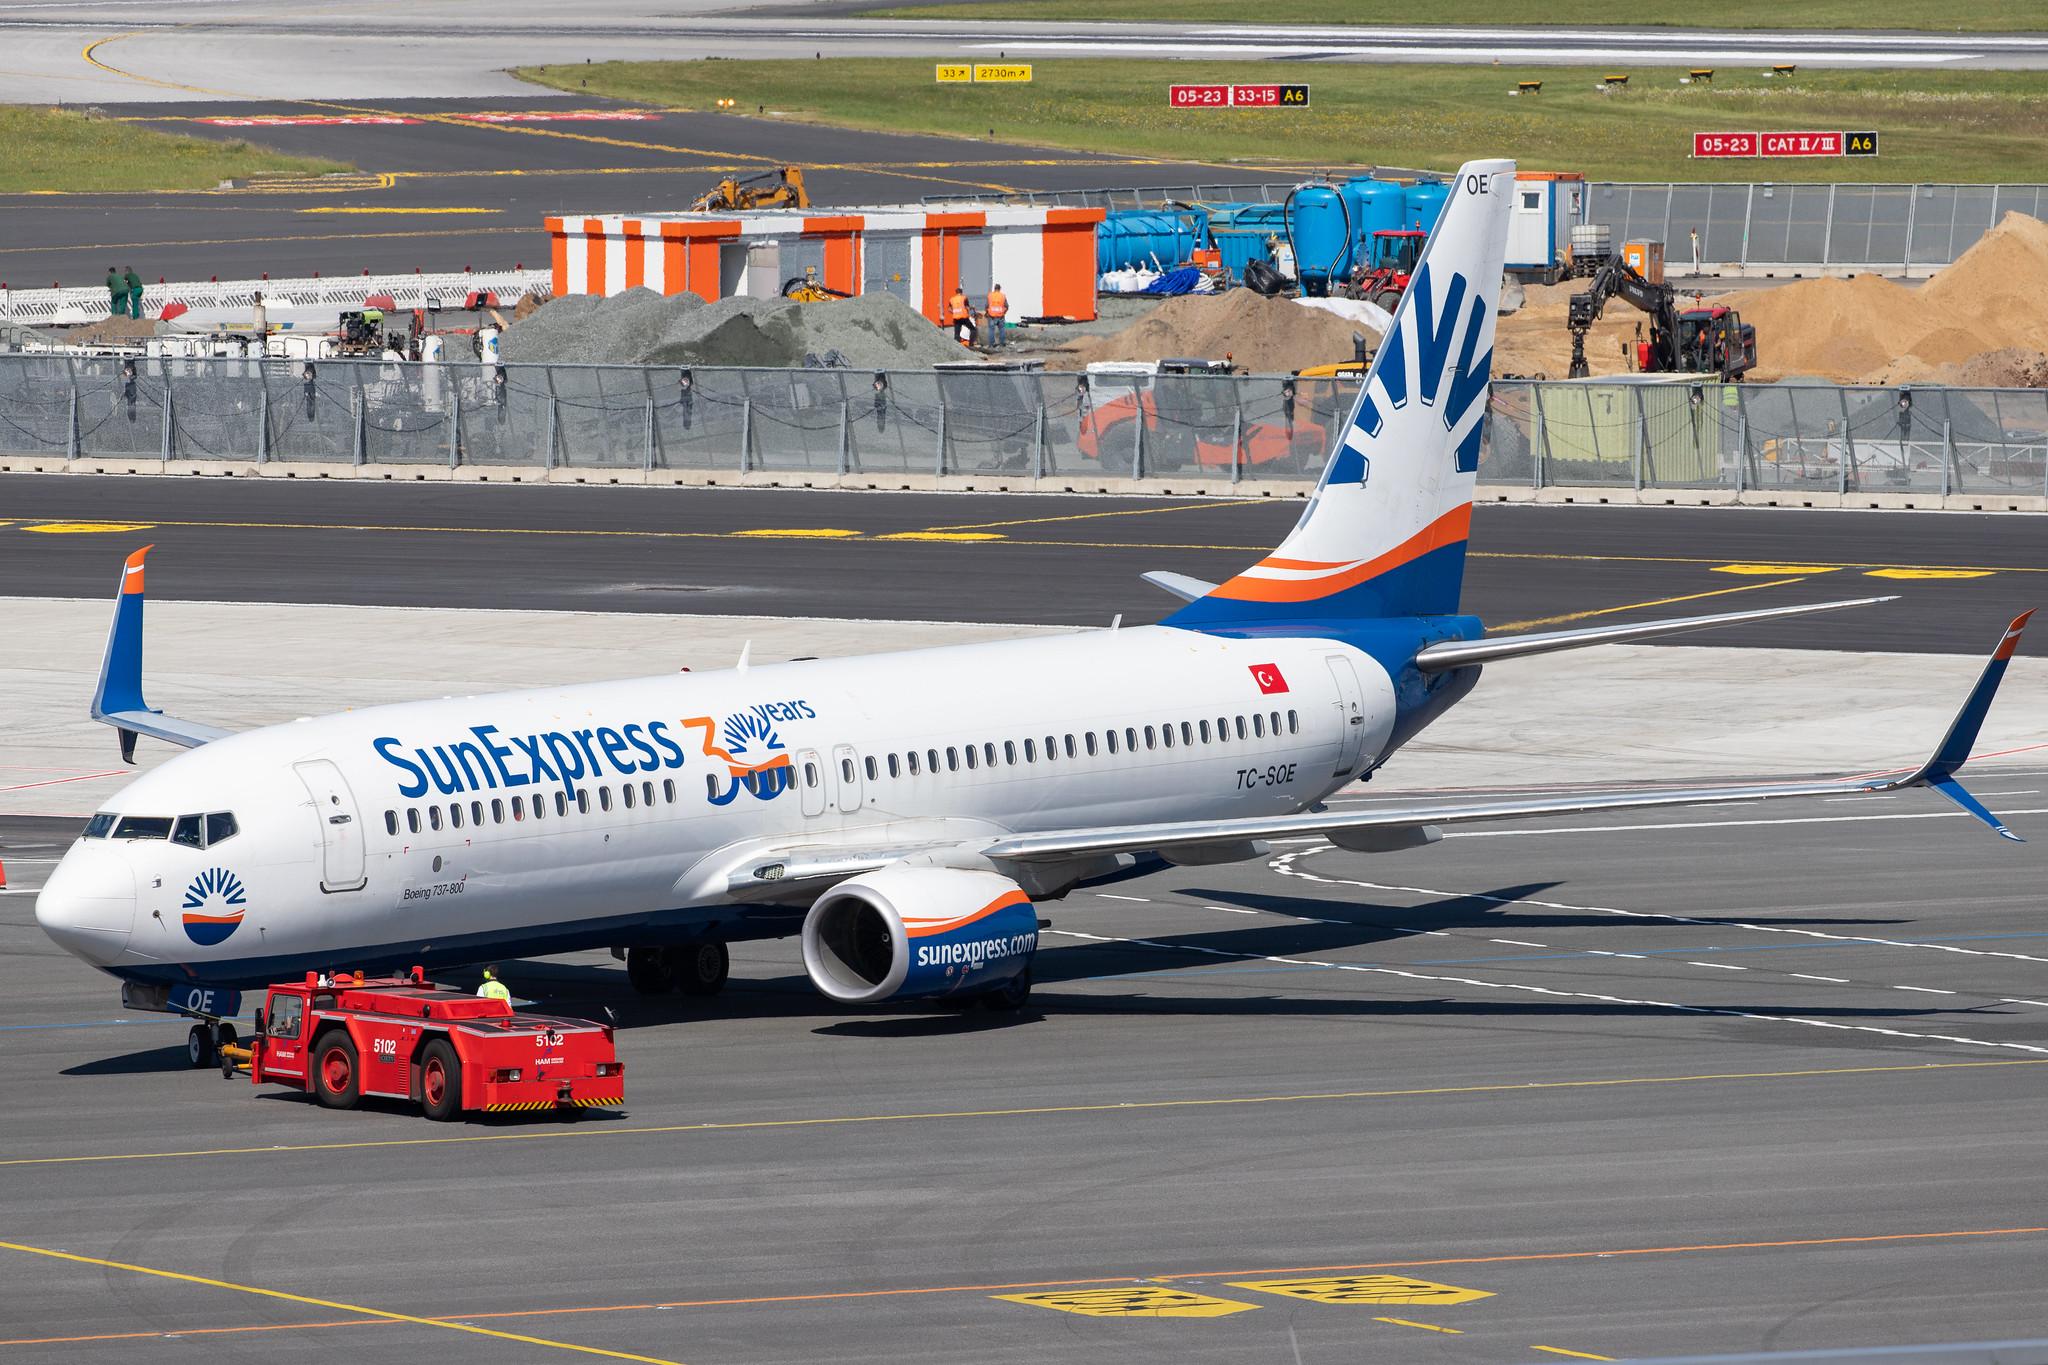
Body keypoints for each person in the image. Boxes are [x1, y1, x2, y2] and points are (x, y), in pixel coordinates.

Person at [985, 282, 1008, 348]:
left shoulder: (990, 295)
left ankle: (991, 344)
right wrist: (1003, 313)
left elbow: (986, 306)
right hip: (1000, 316)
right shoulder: (1003, 296)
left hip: (991, 316)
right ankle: (1002, 344)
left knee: (991, 330)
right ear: (1000, 289)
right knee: (1002, 329)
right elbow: (1006, 306)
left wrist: (987, 312)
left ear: (994, 289)